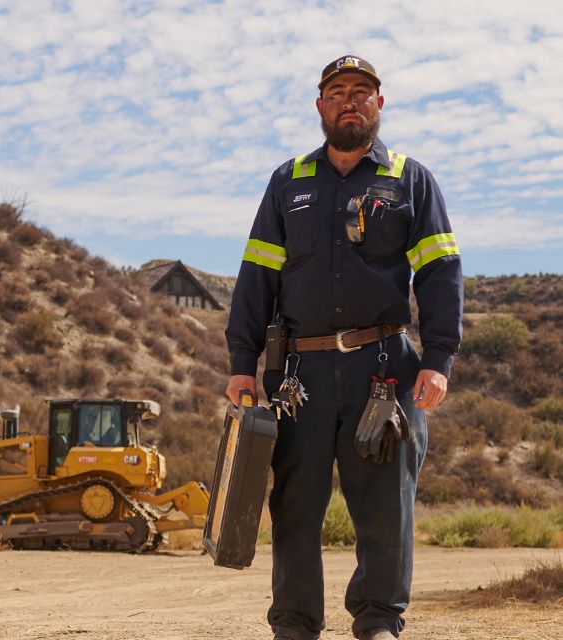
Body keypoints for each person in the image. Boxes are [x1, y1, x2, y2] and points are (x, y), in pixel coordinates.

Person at [224, 55, 463, 640]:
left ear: (380, 104)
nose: (349, 99)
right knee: (296, 504)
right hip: (298, 372)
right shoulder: (289, 181)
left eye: (362, 91)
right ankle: (295, 624)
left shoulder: (411, 179)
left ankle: (379, 620)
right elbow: (258, 273)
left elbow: (440, 272)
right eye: (337, 91)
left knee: (385, 503)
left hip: (382, 368)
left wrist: (437, 360)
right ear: (320, 106)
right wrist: (241, 362)